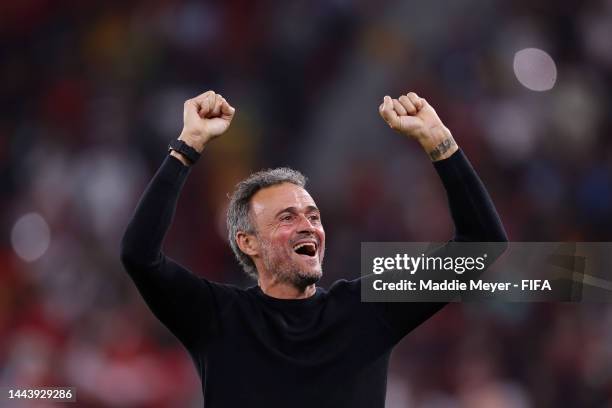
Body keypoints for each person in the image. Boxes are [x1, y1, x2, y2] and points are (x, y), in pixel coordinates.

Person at [119, 90, 507, 407]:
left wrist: (439, 140)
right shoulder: (218, 318)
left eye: (314, 216)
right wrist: (187, 146)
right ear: (247, 242)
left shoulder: (366, 311)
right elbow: (139, 255)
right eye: (287, 217)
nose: (308, 226)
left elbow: (482, 244)